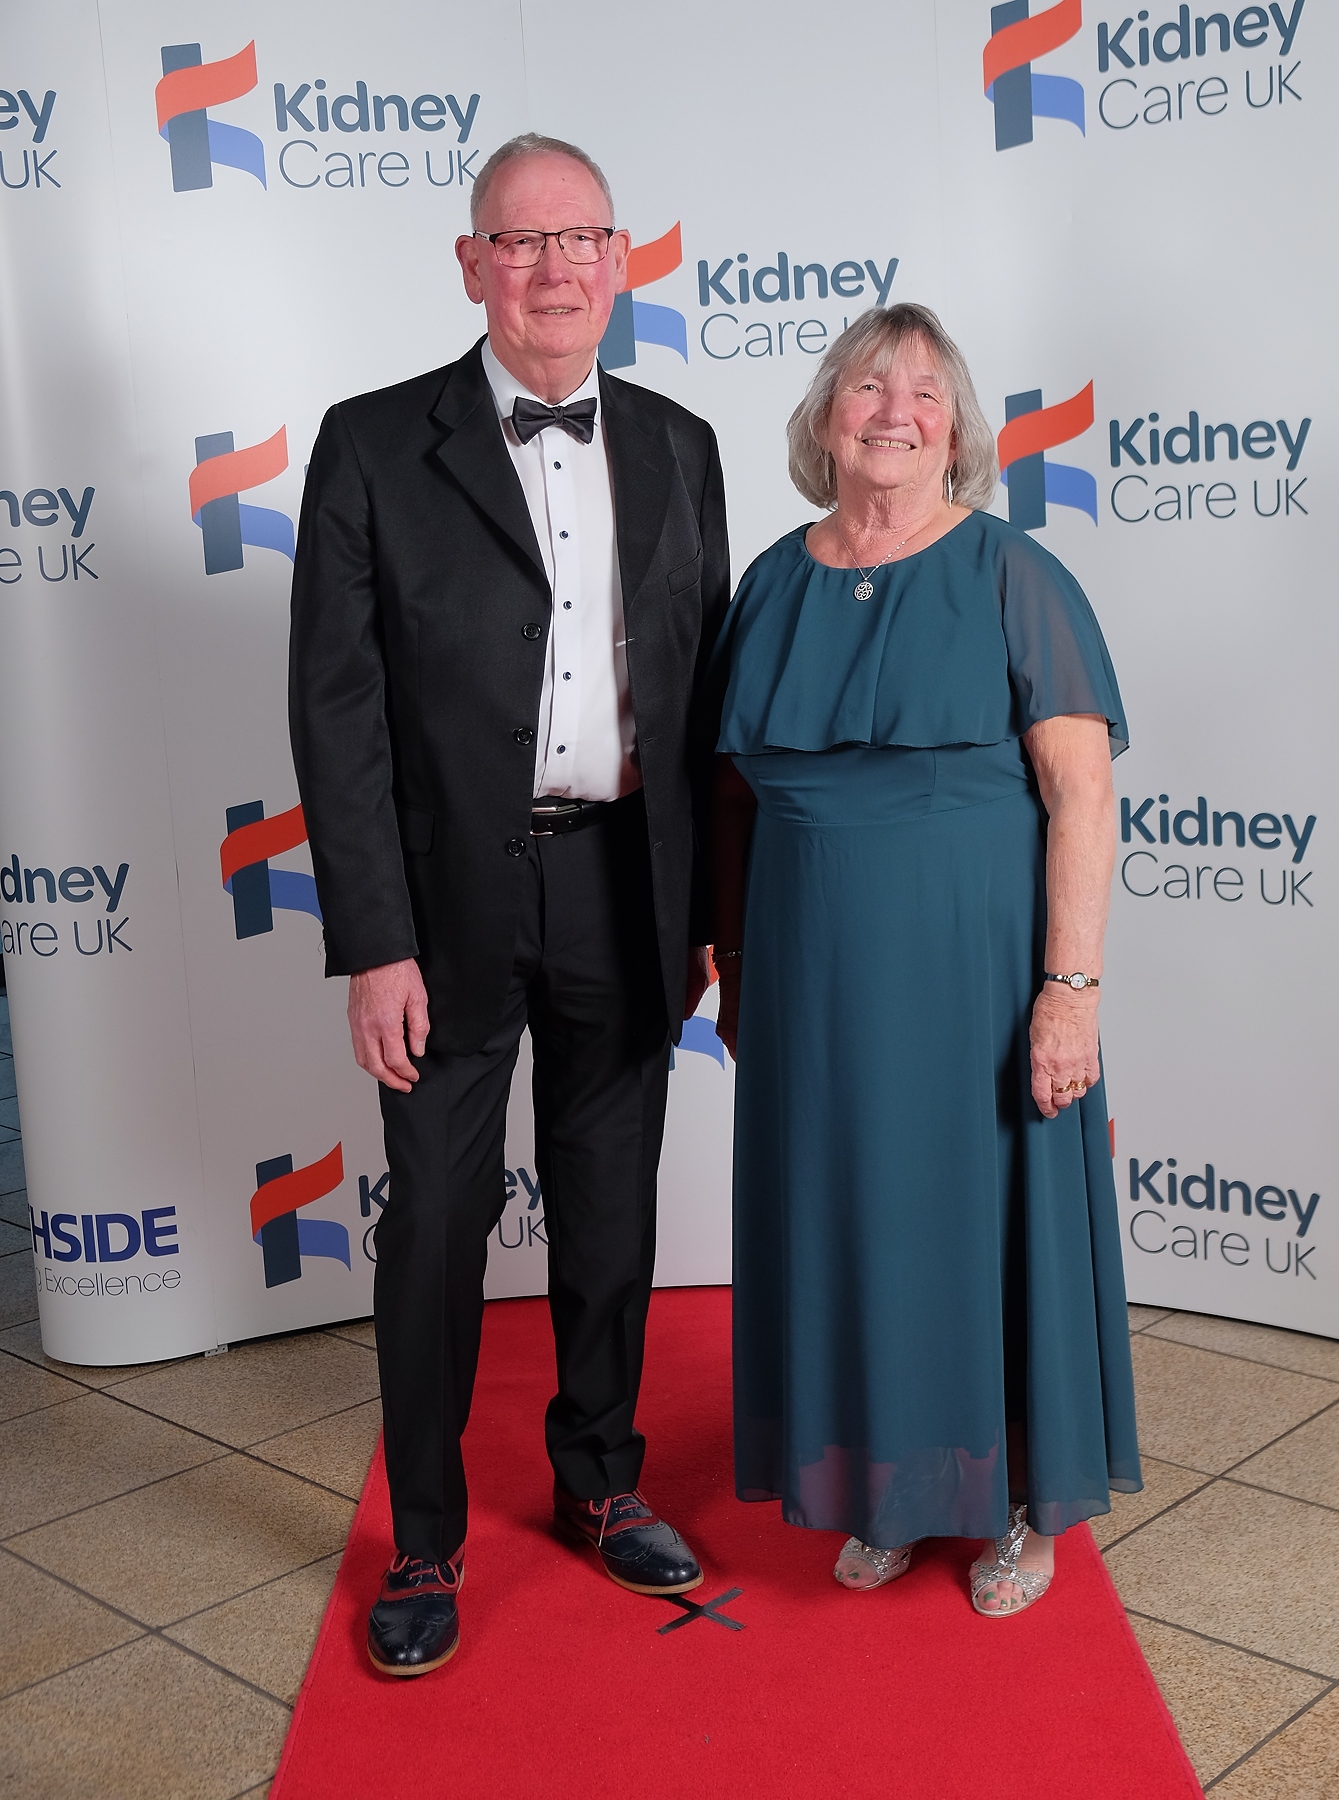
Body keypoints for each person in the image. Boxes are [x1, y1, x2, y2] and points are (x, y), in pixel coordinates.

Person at [289, 133, 730, 1676]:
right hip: (447, 902)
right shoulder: (367, 445)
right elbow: (335, 712)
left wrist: (708, 911)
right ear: (471, 265)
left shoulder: (683, 442)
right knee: (438, 1225)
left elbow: (703, 705)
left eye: (580, 240)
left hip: (627, 881)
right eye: (520, 242)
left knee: (610, 1207)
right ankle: (423, 1539)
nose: (553, 269)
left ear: (621, 262)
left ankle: (601, 1482)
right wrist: (374, 942)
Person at [712, 303, 1141, 1616]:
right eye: (868, 387)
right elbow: (735, 799)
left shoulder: (1013, 575)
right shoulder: (775, 578)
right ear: (824, 416)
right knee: (854, 1223)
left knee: (976, 1220)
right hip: (809, 980)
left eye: (925, 395)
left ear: (956, 431)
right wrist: (735, 966)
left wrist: (1069, 995)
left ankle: (1019, 1498)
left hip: (972, 979)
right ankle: (889, 1483)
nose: (894, 412)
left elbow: (1080, 795)